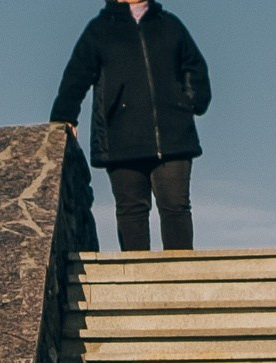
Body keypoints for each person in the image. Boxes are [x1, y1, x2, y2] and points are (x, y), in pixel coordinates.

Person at [52, 0, 211, 252]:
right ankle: (138, 274)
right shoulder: (99, 30)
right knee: (131, 211)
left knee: (175, 206)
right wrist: (64, 116)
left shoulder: (169, 25)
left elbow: (194, 66)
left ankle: (181, 270)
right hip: (120, 136)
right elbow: (76, 76)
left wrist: (189, 101)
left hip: (172, 135)